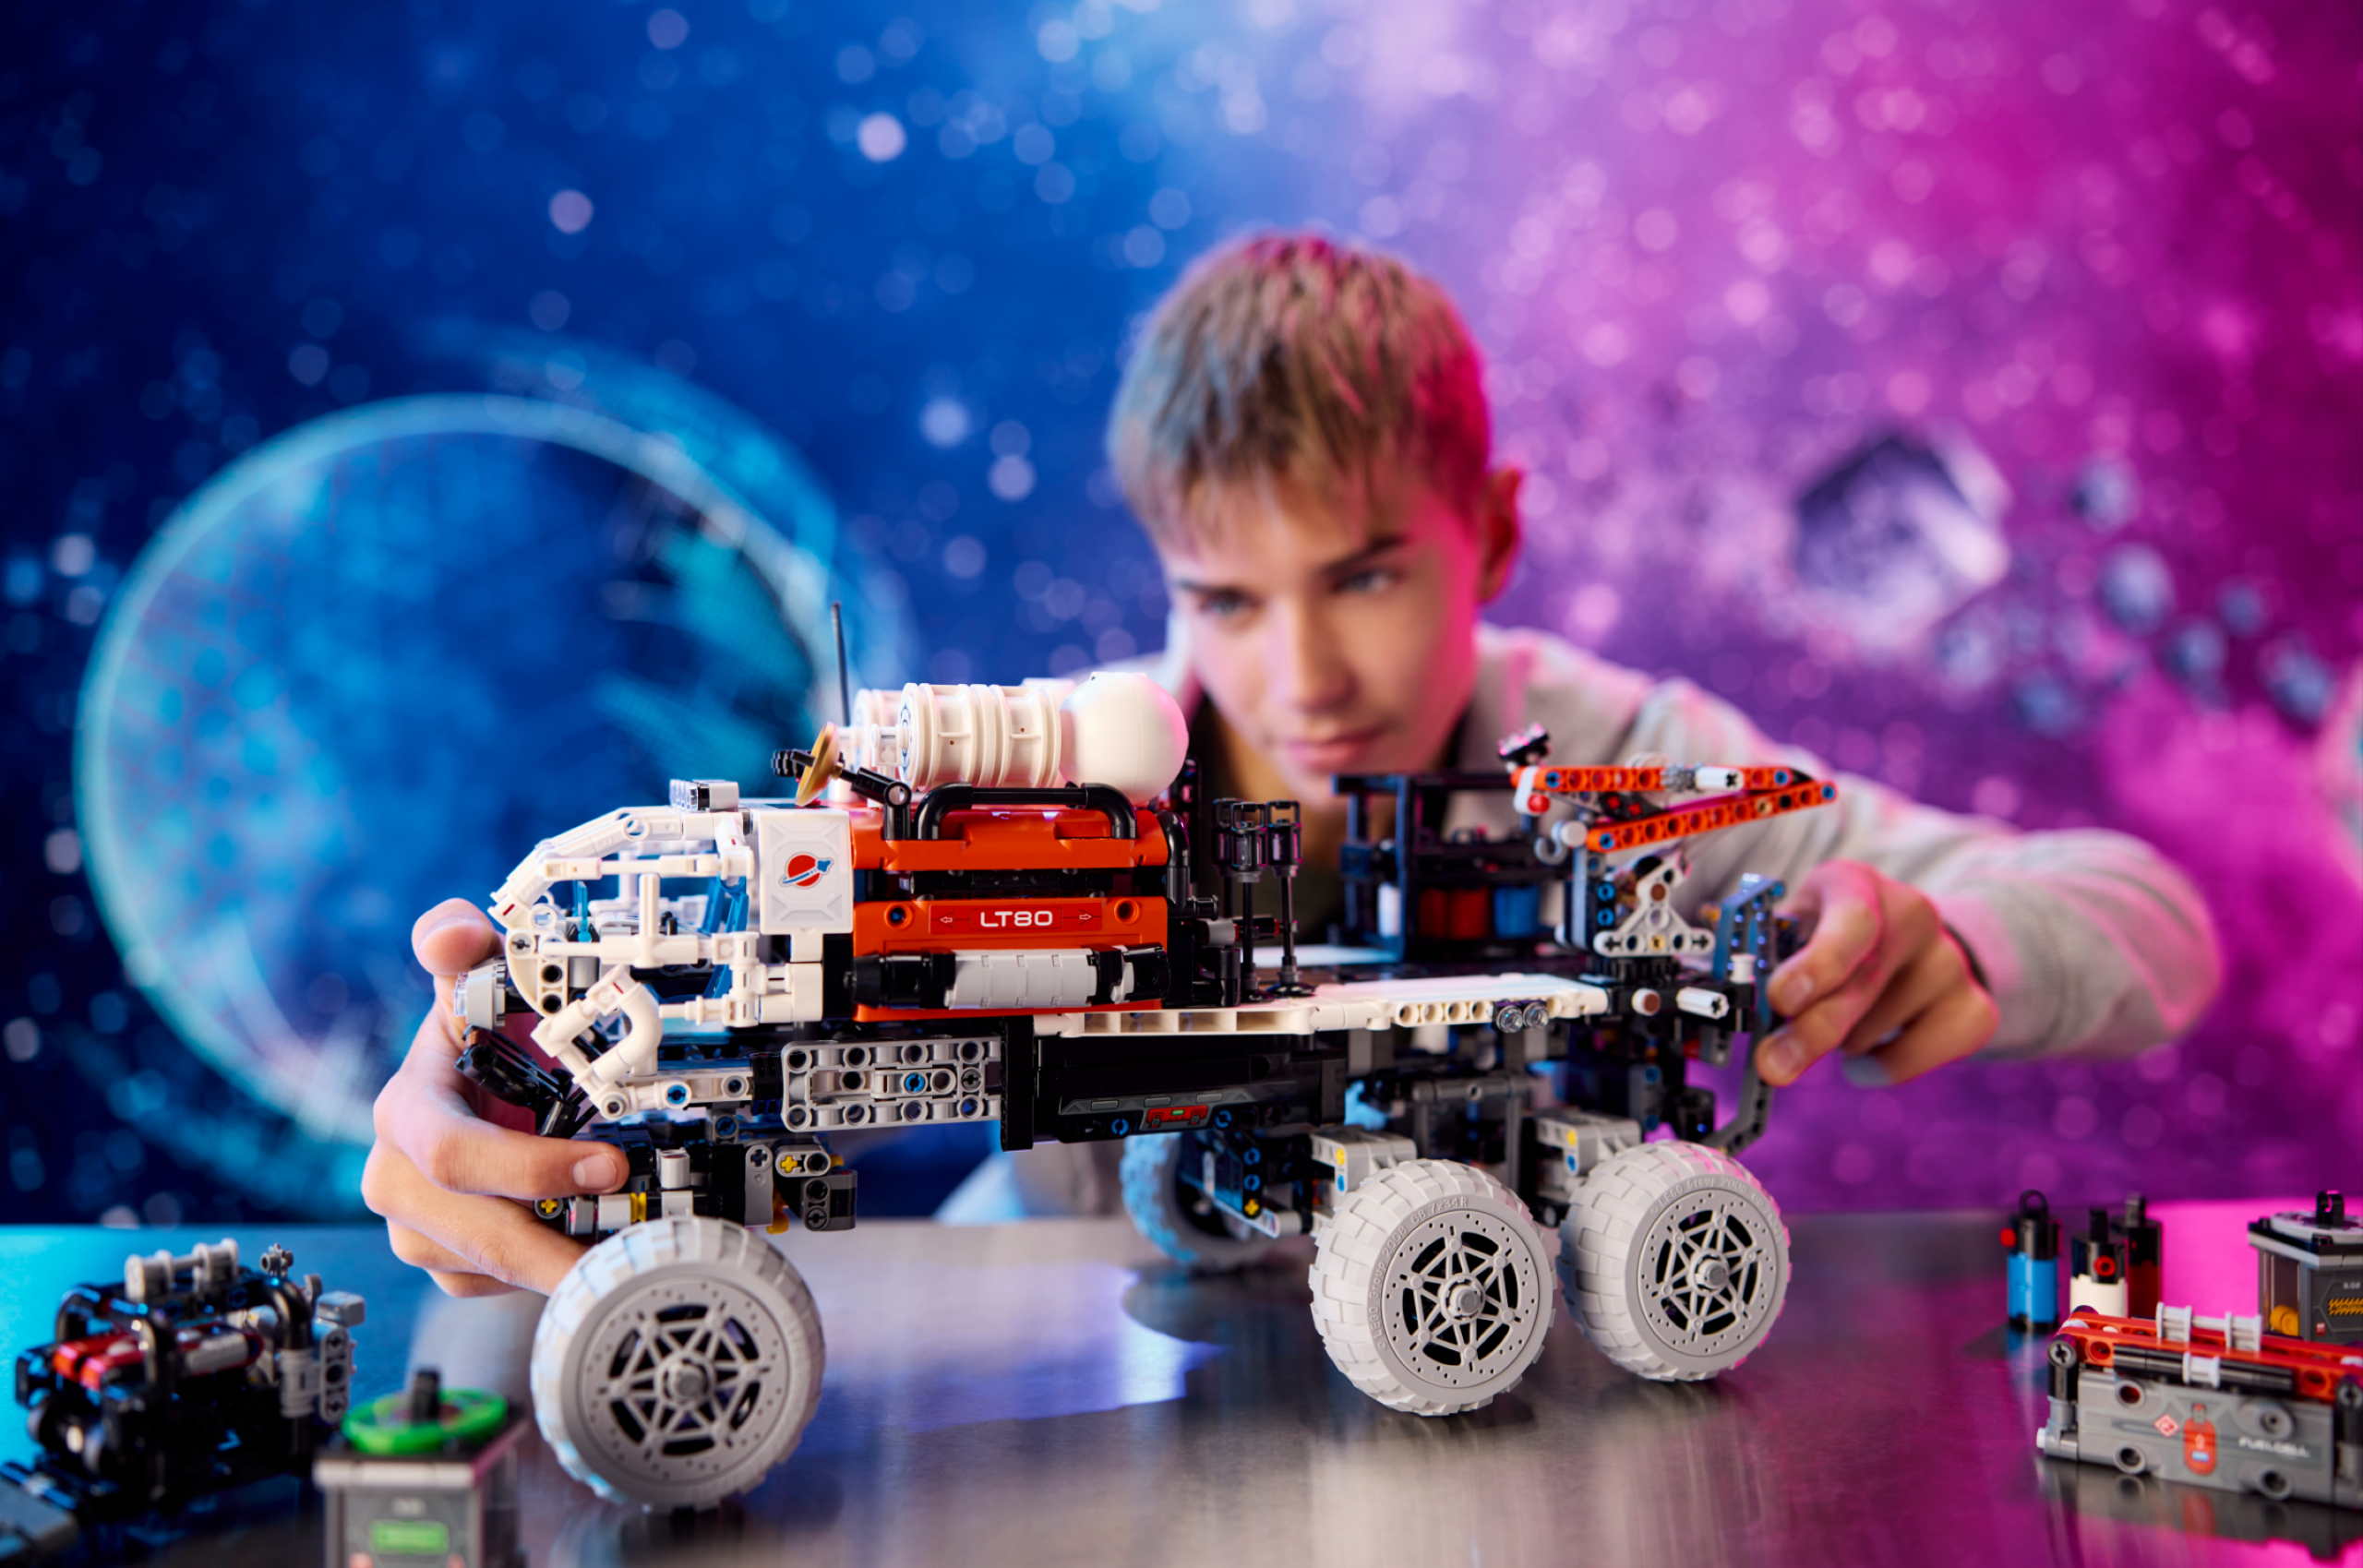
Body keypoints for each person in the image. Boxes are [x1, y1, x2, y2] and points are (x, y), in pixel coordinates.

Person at [365, 233, 2221, 1292]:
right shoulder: (1047, 791)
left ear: (1492, 536)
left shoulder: (1619, 766)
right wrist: (501, 1081)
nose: (1306, 673)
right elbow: (751, 992)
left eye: (1367, 575)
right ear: (1164, 580)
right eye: (1226, 599)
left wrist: (1952, 944)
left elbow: (2144, 914)